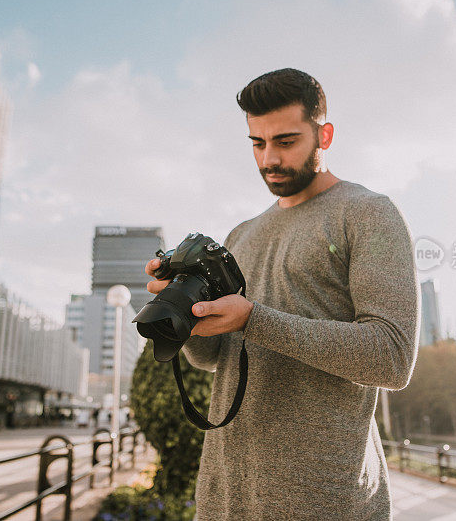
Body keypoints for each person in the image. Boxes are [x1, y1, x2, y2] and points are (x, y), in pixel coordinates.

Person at [144, 68, 419, 520]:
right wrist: (188, 313)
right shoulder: (241, 234)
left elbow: (390, 356)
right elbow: (214, 358)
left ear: (323, 135)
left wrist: (254, 318)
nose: (269, 158)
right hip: (226, 494)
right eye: (257, 143)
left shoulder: (369, 213)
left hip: (325, 498)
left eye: (286, 142)